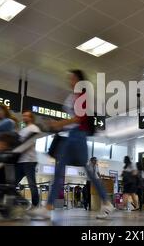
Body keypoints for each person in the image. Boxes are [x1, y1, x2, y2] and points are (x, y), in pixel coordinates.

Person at [35, 70, 114, 220]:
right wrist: (59, 125)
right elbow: (74, 120)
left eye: (72, 78)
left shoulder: (82, 97)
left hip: (78, 135)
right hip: (73, 135)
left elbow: (78, 119)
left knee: (74, 169)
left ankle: (105, 202)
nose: (70, 81)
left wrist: (60, 123)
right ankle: (49, 207)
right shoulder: (74, 97)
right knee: (64, 169)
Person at [15, 111, 40, 209]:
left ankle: (35, 205)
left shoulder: (34, 128)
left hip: (29, 161)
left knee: (31, 184)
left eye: (26, 116)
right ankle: (23, 202)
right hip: (21, 161)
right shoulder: (23, 129)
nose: (24, 117)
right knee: (12, 184)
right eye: (23, 116)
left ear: (31, 118)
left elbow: (27, 143)